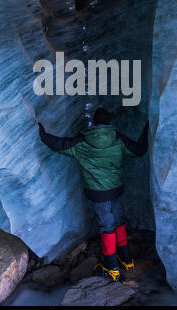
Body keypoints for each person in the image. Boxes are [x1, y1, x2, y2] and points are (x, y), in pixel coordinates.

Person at [38, 107, 149, 281]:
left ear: (95, 123)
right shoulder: (118, 139)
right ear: (109, 122)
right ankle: (127, 260)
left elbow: (58, 145)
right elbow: (139, 150)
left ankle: (112, 267)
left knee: (107, 227)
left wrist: (43, 135)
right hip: (116, 189)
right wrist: (146, 131)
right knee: (119, 222)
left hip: (98, 193)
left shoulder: (82, 142)